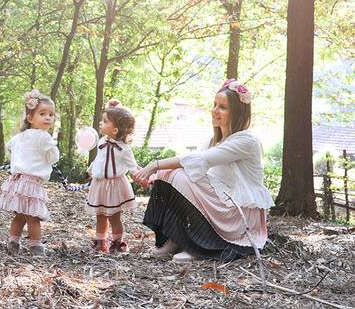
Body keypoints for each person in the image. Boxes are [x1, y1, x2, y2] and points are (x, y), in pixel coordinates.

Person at [132, 79, 274, 263]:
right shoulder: (213, 140)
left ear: (237, 113)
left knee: (177, 175)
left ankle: (198, 246)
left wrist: (154, 166)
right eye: (215, 105)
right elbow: (192, 165)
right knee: (171, 175)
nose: (215, 110)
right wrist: (156, 175)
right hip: (220, 201)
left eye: (223, 107)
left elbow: (199, 161)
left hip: (237, 214)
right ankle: (176, 240)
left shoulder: (246, 141)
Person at [0, 89, 60, 257]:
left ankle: (13, 242)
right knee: (33, 217)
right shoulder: (44, 138)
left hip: (17, 181)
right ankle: (36, 247)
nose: (48, 117)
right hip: (31, 183)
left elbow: (10, 147)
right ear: (30, 118)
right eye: (42, 114)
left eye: (51, 114)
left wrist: (20, 160)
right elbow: (54, 158)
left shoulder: (20, 136)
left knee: (20, 216)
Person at [85, 100, 139, 254]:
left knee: (114, 217)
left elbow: (132, 166)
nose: (100, 123)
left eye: (105, 121)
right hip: (100, 184)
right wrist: (91, 170)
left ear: (115, 130)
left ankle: (116, 243)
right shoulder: (102, 141)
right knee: (100, 215)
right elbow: (99, 159)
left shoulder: (123, 149)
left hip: (115, 186)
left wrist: (142, 177)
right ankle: (100, 242)